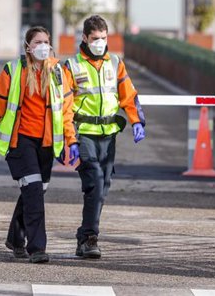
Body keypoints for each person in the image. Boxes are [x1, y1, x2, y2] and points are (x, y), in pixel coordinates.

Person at [0, 26, 77, 264]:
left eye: (46, 42)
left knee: (35, 192)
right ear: (28, 46)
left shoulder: (59, 72)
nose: (43, 46)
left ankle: (15, 239)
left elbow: (66, 111)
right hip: (21, 142)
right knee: (33, 193)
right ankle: (37, 247)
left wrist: (72, 141)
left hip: (48, 144)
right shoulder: (13, 70)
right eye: (38, 42)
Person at [63, 14, 146, 259]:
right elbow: (65, 107)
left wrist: (137, 121)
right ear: (85, 38)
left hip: (109, 135)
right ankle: (90, 238)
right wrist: (70, 139)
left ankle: (83, 238)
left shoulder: (115, 62)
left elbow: (128, 95)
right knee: (96, 182)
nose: (100, 42)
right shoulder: (72, 66)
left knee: (102, 187)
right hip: (84, 134)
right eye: (95, 38)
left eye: (103, 38)